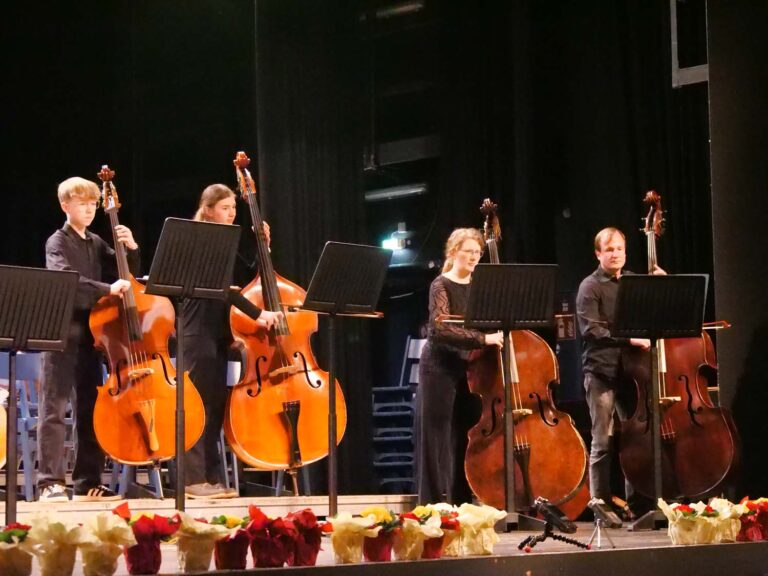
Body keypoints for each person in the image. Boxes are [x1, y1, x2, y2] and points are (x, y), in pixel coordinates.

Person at [38, 176, 137, 502]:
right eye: (83, 203)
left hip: (92, 337)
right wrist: (107, 290)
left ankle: (87, 480)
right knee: (54, 407)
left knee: (90, 408)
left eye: (94, 203)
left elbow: (123, 274)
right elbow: (68, 281)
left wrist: (129, 249)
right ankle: (49, 481)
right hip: (61, 333)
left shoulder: (95, 241)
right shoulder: (57, 242)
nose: (90, 209)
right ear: (66, 206)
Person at [183, 183, 283, 499]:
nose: (231, 213)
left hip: (219, 333)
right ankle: (191, 478)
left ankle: (210, 477)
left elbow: (248, 275)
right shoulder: (199, 239)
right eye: (225, 208)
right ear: (209, 209)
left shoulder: (224, 241)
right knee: (197, 405)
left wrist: (261, 245)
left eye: (233, 208)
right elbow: (226, 289)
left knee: (214, 407)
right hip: (197, 331)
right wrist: (258, 315)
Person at [576, 227, 663, 517]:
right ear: (598, 253)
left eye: (620, 249)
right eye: (609, 249)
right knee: (603, 440)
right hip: (602, 372)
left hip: (632, 374)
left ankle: (638, 503)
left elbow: (656, 311)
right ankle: (600, 502)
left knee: (635, 439)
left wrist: (664, 285)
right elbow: (592, 330)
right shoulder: (590, 286)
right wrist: (628, 339)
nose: (616, 254)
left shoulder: (633, 282)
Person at [416, 228, 504, 505]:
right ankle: (433, 505)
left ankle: (464, 499)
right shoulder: (440, 285)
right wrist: (483, 338)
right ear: (454, 252)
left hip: (472, 368)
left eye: (478, 252)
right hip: (439, 366)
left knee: (467, 435)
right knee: (437, 436)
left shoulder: (481, 287)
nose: (475, 257)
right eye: (469, 251)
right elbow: (439, 329)